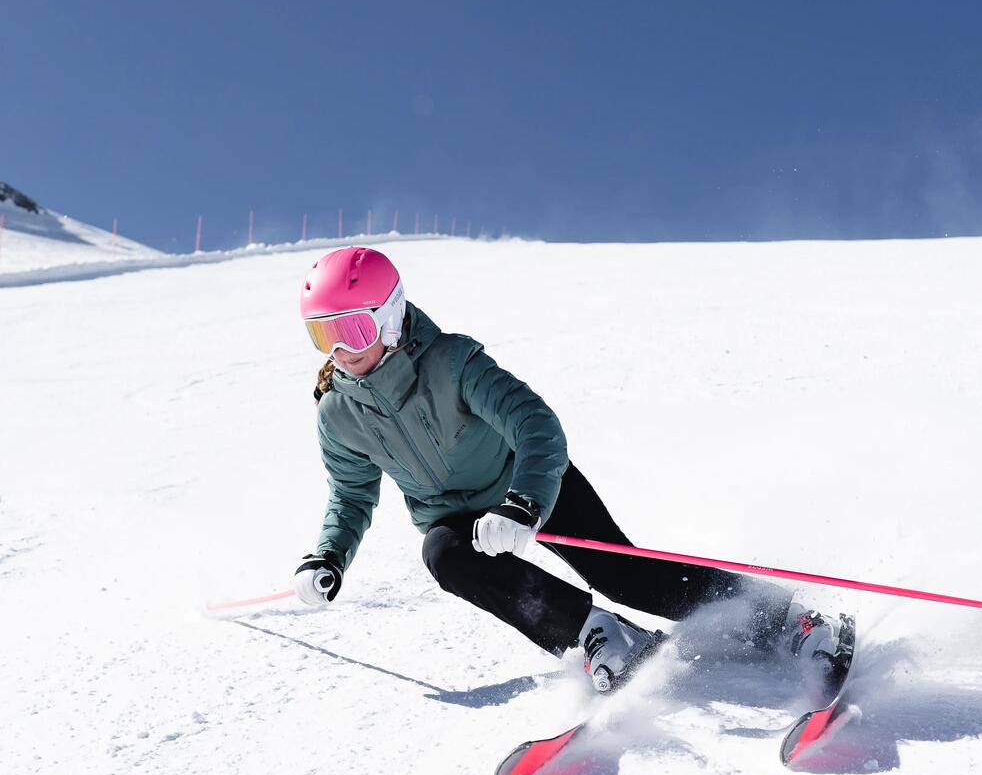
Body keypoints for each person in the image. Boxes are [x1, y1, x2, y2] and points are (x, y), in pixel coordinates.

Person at [290, 245, 849, 692]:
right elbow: (350, 495)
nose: (340, 350)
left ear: (389, 319)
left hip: (528, 482)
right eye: (324, 334)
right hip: (458, 518)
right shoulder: (339, 414)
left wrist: (524, 502)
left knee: (626, 575)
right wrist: (329, 556)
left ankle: (786, 620)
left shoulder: (452, 362)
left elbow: (536, 426)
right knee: (444, 554)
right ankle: (599, 635)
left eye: (354, 330)